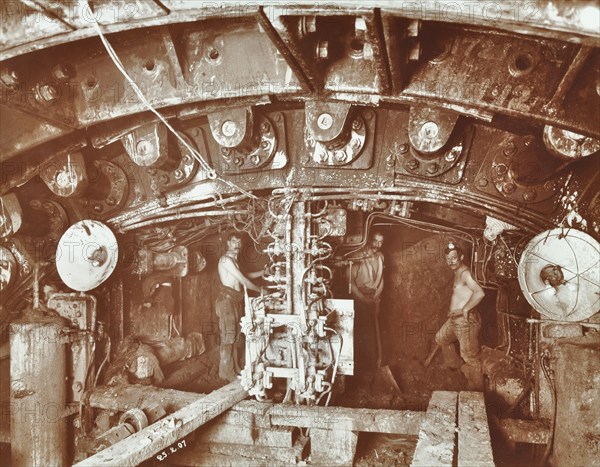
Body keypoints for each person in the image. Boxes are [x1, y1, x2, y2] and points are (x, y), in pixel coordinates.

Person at [435, 242, 485, 388]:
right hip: (454, 320)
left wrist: (465, 309)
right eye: (448, 258)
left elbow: (480, 293)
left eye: (454, 258)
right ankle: (457, 368)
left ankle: (476, 389)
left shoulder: (465, 273)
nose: (450, 261)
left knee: (469, 356)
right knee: (441, 338)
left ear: (461, 257)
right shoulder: (457, 273)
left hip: (465, 321)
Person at [216, 232, 262, 382]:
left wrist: (263, 272)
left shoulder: (234, 261)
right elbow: (243, 280)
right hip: (226, 302)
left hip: (234, 301)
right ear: (228, 242)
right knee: (228, 336)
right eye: (234, 241)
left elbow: (245, 275)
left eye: (239, 242)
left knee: (235, 336)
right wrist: (261, 291)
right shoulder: (225, 260)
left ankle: (234, 369)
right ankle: (225, 372)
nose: (237, 244)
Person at [347, 230, 385, 372]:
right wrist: (363, 300)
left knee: (372, 331)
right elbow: (350, 283)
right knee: (362, 332)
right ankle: (364, 366)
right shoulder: (357, 256)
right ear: (369, 239)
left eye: (381, 241)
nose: (378, 244)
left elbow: (382, 280)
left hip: (372, 297)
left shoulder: (380, 257)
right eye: (376, 240)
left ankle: (374, 364)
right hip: (358, 297)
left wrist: (376, 299)